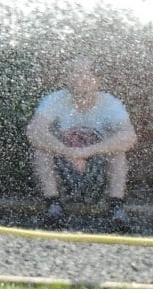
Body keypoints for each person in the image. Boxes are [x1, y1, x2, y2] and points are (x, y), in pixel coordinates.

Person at [26, 55, 137, 230]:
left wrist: (86, 152)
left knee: (118, 153)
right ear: (67, 78)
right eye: (75, 73)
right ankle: (53, 205)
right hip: (64, 173)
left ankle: (116, 207)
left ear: (98, 79)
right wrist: (67, 151)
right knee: (41, 151)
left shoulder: (110, 103)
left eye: (86, 73)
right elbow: (34, 132)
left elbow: (129, 136)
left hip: (97, 175)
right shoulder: (55, 100)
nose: (80, 78)